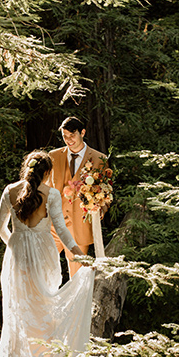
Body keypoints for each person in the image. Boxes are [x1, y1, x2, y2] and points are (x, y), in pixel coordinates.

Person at [0, 150, 95, 357]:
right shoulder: (52, 194)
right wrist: (79, 256)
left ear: (27, 169)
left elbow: (0, 228)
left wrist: (16, 244)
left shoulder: (9, 191)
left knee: (17, 313)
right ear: (48, 172)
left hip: (17, 255)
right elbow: (61, 227)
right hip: (44, 256)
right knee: (46, 307)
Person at [49, 116, 109, 277]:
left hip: (80, 226)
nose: (68, 140)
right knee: (42, 269)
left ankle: (78, 303)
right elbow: (45, 189)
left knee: (78, 277)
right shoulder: (53, 157)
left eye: (72, 135)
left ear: (82, 132)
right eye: (65, 137)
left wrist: (100, 209)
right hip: (52, 226)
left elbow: (106, 191)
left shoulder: (99, 159)